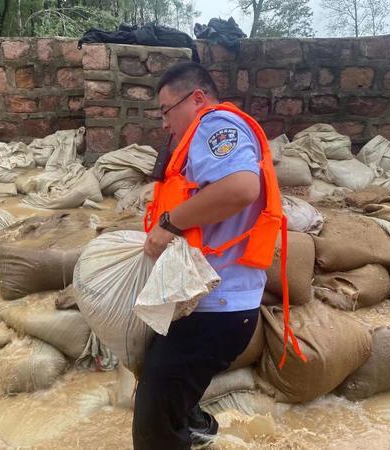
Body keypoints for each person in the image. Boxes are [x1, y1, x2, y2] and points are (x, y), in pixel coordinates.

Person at [134, 61, 294, 449]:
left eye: (166, 111)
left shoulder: (213, 124)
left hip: (217, 306)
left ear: (197, 98)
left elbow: (241, 188)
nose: (163, 124)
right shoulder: (200, 138)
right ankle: (201, 431)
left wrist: (168, 223)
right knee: (165, 386)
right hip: (212, 304)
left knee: (153, 421)